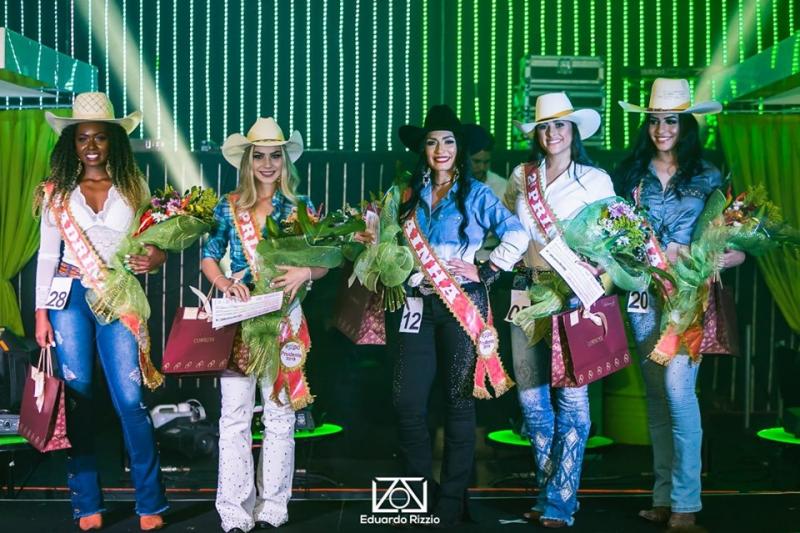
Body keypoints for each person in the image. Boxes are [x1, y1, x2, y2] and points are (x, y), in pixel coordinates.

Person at [383, 104, 528, 527]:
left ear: (459, 149)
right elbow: (384, 244)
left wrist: (487, 270)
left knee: (458, 403)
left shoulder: (477, 193)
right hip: (415, 305)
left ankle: (450, 502)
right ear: (423, 149)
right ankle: (415, 496)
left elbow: (516, 234)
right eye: (432, 142)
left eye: (448, 141)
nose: (440, 149)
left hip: (461, 304)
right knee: (406, 401)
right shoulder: (404, 194)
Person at [33, 92, 168, 531]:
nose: (91, 145)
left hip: (118, 294)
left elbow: (156, 243)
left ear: (114, 141)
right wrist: (40, 314)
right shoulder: (57, 194)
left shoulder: (134, 187)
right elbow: (47, 257)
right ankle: (87, 502)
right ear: (71, 143)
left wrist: (155, 258)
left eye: (100, 138)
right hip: (68, 298)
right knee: (79, 400)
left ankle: (150, 503)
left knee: (130, 401)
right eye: (82, 138)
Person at [615, 78, 745, 528]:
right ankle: (664, 496)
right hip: (642, 294)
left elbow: (732, 229)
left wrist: (738, 252)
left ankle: (687, 503)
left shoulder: (709, 174)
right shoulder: (629, 173)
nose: (661, 129)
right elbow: (614, 235)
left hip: (687, 297)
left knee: (677, 392)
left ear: (686, 124)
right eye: (654, 121)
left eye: (670, 120)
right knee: (655, 396)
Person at [201, 117, 326, 533]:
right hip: (240, 318)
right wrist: (222, 281)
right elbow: (209, 252)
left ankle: (274, 505)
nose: (268, 164)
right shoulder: (229, 204)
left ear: (286, 160)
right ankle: (234, 510)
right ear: (248, 160)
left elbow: (325, 262)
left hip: (284, 319)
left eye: (276, 155)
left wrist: (305, 273)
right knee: (234, 415)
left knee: (279, 414)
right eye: (260, 156)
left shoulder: (301, 206)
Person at [504, 92, 615, 528]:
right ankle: (547, 489)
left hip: (574, 294)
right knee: (531, 400)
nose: (552, 133)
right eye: (545, 127)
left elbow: (615, 243)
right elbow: (508, 230)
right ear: (537, 133)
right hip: (525, 291)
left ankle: (562, 500)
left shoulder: (596, 180)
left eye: (560, 126)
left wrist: (596, 268)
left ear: (574, 131)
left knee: (572, 397)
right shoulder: (521, 175)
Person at [466, 125, 508, 263]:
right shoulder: (451, 185)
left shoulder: (502, 186)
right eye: (476, 161)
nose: (482, 167)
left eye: (486, 162)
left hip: (490, 259)